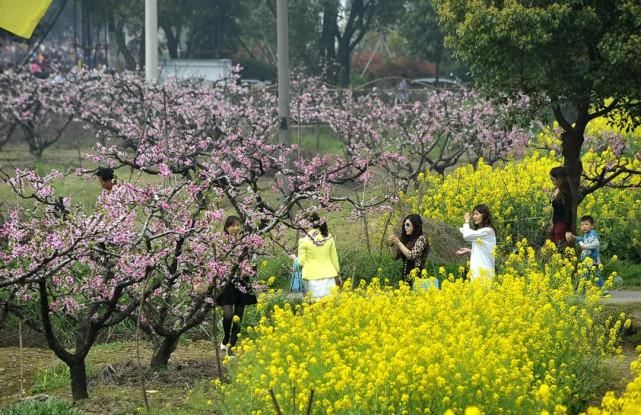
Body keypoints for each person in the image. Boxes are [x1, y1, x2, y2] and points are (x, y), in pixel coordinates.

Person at [216, 216, 257, 355]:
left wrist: (248, 270)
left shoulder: (245, 242)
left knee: (239, 315)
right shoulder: (221, 242)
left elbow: (251, 260)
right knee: (228, 315)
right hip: (227, 281)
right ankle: (226, 336)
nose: (235, 228)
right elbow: (217, 262)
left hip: (242, 281)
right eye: (232, 225)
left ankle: (231, 345)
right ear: (226, 227)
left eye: (238, 225)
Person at [296, 212, 340, 299]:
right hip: (329, 276)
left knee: (315, 307)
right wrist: (338, 273)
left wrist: (294, 259)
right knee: (330, 306)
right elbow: (334, 258)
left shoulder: (303, 240)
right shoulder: (328, 237)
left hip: (311, 278)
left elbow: (301, 262)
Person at [456, 204, 497, 281]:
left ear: (484, 215)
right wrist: (469, 251)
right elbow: (484, 250)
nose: (474, 217)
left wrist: (466, 221)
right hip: (477, 272)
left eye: (476, 214)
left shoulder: (487, 231)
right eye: (473, 214)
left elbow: (467, 236)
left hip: (484, 273)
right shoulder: (481, 232)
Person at [388, 214, 429, 287]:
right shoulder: (406, 240)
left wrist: (399, 243)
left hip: (417, 278)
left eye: (407, 225)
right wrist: (391, 245)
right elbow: (395, 256)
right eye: (404, 225)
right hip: (405, 278)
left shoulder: (422, 239)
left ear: (415, 225)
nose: (405, 227)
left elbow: (412, 256)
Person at [567, 215, 603, 287]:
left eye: (586, 224)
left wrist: (585, 246)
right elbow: (583, 239)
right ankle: (584, 288)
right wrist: (575, 238)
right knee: (589, 273)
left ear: (592, 226)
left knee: (594, 274)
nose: (584, 226)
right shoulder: (587, 234)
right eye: (582, 225)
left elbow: (596, 244)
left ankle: (602, 289)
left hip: (593, 258)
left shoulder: (592, 233)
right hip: (588, 258)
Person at [549, 166, 574, 247]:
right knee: (553, 247)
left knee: (560, 247)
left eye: (552, 179)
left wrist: (567, 230)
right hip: (556, 224)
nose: (551, 181)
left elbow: (568, 211)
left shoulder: (565, 193)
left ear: (559, 179)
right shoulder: (557, 190)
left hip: (562, 225)